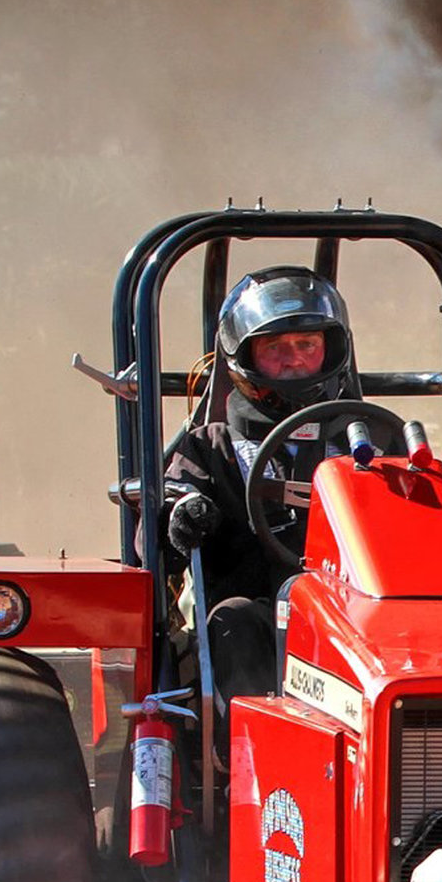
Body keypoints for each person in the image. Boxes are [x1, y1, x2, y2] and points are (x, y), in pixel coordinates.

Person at [162, 267, 362, 703]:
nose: (293, 360)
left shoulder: (372, 440)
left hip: (358, 617)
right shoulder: (210, 447)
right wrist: (182, 513)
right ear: (245, 358)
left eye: (307, 345)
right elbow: (159, 529)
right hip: (253, 617)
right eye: (275, 348)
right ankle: (244, 756)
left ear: (330, 351)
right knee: (234, 620)